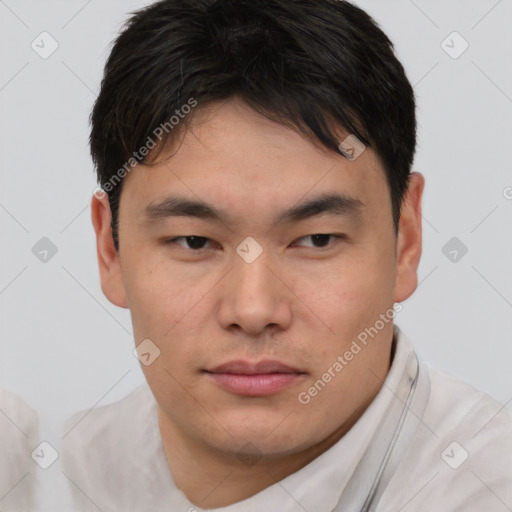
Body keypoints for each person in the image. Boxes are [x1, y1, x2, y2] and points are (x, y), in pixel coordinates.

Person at [62, 0, 512, 510]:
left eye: (317, 240)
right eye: (194, 241)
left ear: (405, 239)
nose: (253, 311)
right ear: (110, 250)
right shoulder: (60, 474)